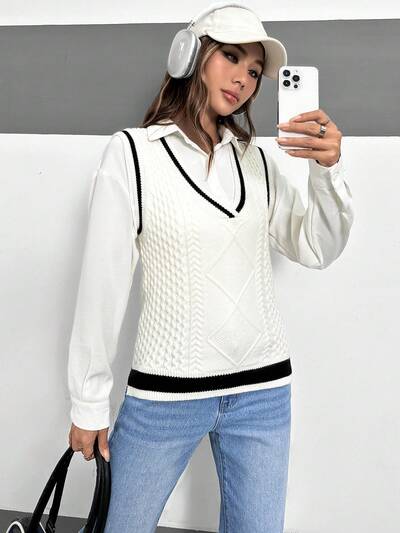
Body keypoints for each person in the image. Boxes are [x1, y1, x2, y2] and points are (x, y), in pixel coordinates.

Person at [69, 2, 354, 532]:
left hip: (263, 393)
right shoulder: (132, 154)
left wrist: (326, 170)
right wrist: (89, 401)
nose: (243, 79)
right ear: (190, 55)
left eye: (255, 71)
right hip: (165, 395)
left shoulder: (257, 161)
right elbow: (102, 287)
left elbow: (318, 247)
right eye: (232, 57)